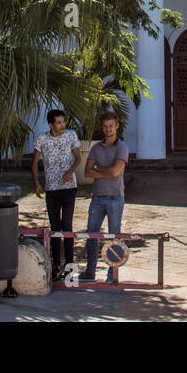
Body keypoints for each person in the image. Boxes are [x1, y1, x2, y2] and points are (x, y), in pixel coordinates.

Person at [32, 109, 81, 281]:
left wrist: (71, 171)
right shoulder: (42, 139)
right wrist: (37, 183)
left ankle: (70, 265)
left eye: (63, 122)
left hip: (69, 187)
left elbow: (78, 158)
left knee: (67, 224)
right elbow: (34, 162)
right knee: (54, 227)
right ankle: (55, 264)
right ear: (51, 124)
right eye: (58, 123)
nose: (62, 126)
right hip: (51, 188)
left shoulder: (71, 136)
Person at [80, 112, 129, 283]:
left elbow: (116, 172)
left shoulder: (121, 147)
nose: (108, 129)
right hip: (97, 197)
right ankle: (90, 271)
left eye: (111, 126)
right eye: (105, 126)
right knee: (91, 235)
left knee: (114, 237)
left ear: (117, 126)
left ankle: (112, 274)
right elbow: (87, 171)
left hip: (115, 197)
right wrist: (105, 171)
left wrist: (98, 169)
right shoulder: (96, 148)